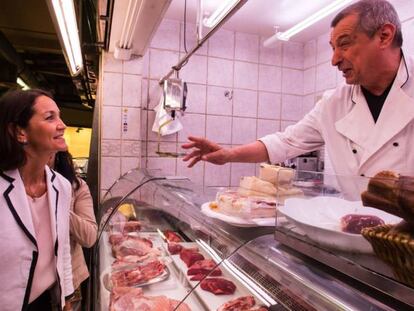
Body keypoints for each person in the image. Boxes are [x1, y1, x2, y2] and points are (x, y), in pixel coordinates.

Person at [182, 0, 414, 197]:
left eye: (344, 44)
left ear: (384, 36)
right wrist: (228, 155)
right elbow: (286, 142)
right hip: (353, 231)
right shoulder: (333, 103)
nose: (334, 60)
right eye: (333, 48)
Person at [0, 89, 73, 310]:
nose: (62, 125)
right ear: (20, 132)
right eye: (50, 117)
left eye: (59, 116)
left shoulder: (62, 186)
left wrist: (67, 298)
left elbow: (64, 249)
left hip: (45, 302)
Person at [49, 151, 97, 311]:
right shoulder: (12, 186)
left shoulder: (76, 186)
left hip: (69, 281)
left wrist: (57, 205)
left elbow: (89, 237)